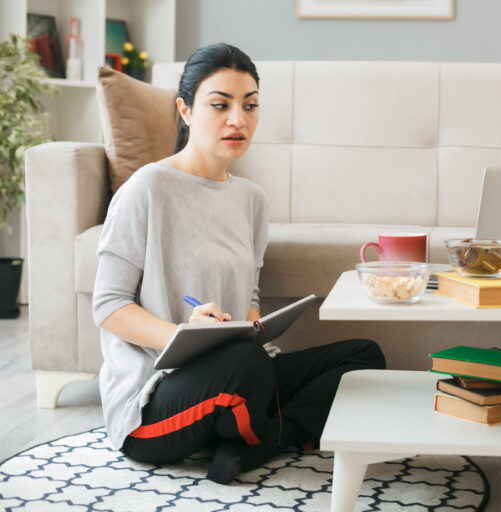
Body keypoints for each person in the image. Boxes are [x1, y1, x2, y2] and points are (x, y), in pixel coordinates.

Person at [92, 43, 386, 485]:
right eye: (220, 105)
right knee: (243, 365)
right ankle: (260, 433)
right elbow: (109, 306)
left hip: (236, 373)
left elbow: (248, 296)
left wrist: (252, 324)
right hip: (154, 402)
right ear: (185, 111)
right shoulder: (146, 189)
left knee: (364, 357)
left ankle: (249, 444)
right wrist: (184, 336)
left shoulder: (250, 199)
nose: (238, 119)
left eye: (250, 106)